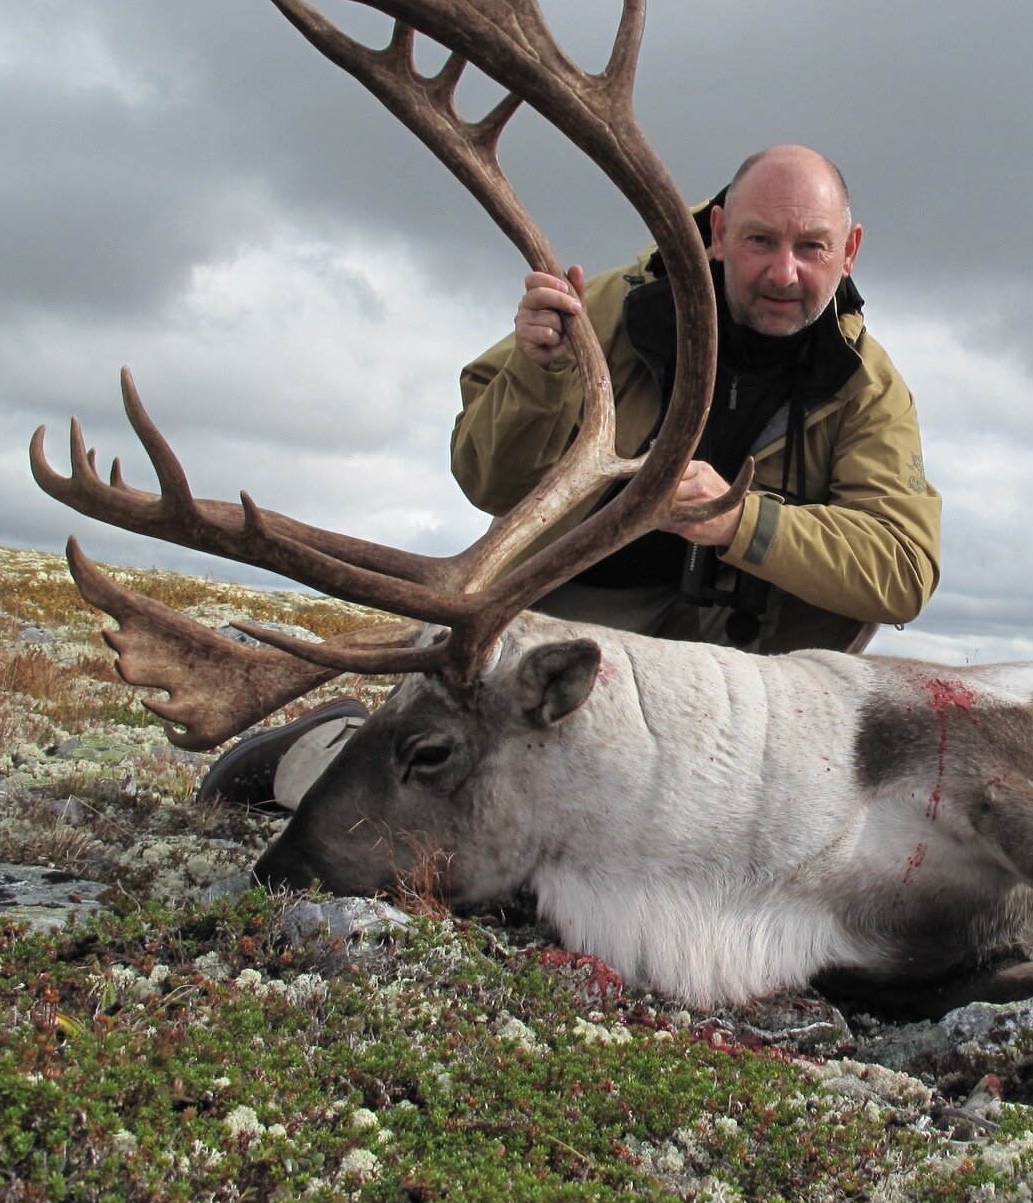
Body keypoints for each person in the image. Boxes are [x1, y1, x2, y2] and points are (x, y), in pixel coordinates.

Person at [200, 144, 941, 811]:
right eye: (759, 241)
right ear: (716, 233)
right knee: (451, 790)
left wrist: (740, 522)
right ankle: (318, 756)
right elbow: (485, 477)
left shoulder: (868, 389)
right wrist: (539, 375)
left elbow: (902, 570)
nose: (785, 272)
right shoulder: (608, 311)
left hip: (740, 667)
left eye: (812, 247)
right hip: (574, 624)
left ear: (850, 252)